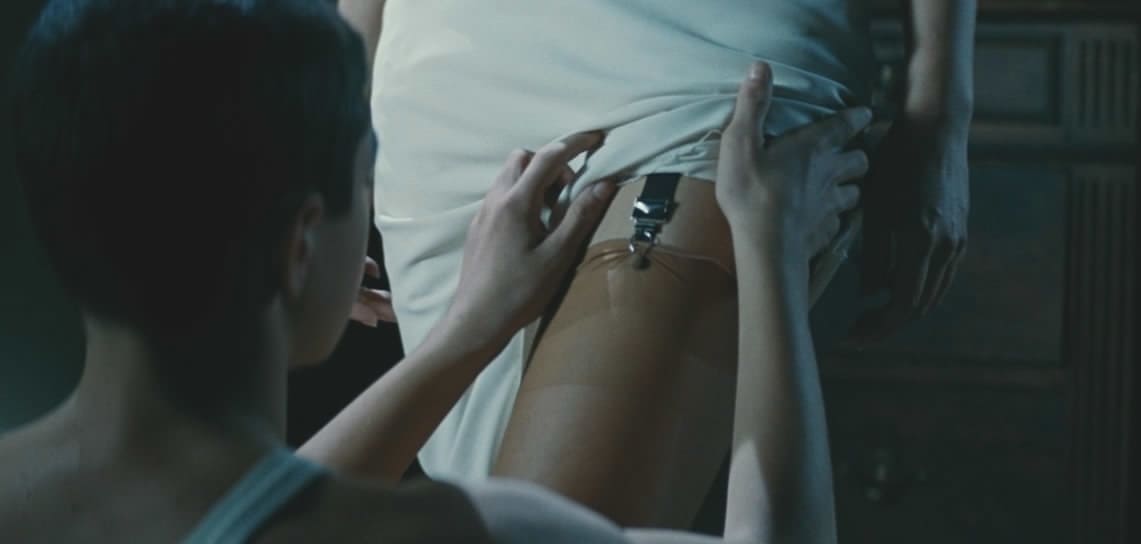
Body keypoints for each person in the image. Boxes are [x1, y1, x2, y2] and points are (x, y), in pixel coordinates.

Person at [0, 0, 867, 542]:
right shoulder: (462, 531)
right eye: (363, 173)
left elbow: (246, 513)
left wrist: (463, 335)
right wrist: (767, 250)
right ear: (301, 246)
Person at [320, 0, 975, 528]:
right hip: (445, 88)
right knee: (512, 505)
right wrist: (335, 155)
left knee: (542, 517)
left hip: (711, 75)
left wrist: (941, 113)